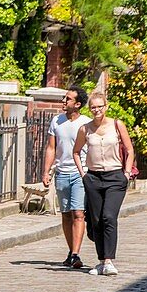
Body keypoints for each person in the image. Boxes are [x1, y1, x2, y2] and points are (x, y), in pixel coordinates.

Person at [73, 93, 135, 276]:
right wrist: (83, 174)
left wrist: (126, 173)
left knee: (108, 216)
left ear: (106, 107)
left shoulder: (117, 125)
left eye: (100, 106)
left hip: (115, 177)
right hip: (93, 178)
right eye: (93, 107)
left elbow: (130, 149)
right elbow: (76, 152)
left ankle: (109, 261)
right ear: (89, 109)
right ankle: (101, 261)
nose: (97, 110)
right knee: (96, 220)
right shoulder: (85, 129)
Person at [41, 85, 91, 269]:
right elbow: (51, 148)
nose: (64, 101)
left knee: (78, 213)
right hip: (61, 172)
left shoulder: (86, 123)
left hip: (80, 172)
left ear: (77, 104)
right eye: (64, 97)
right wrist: (46, 171)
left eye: (68, 99)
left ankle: (76, 254)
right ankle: (71, 251)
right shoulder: (57, 121)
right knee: (66, 215)